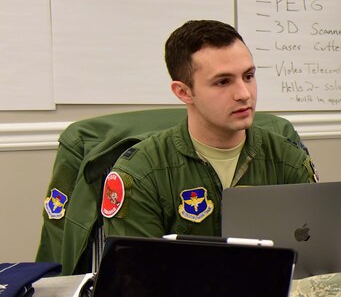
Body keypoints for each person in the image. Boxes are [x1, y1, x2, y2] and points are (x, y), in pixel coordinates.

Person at [101, 20, 316, 239]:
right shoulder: (141, 171)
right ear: (184, 92)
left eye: (248, 76)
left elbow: (315, 248)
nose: (244, 94)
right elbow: (135, 260)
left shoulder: (288, 159)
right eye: (223, 82)